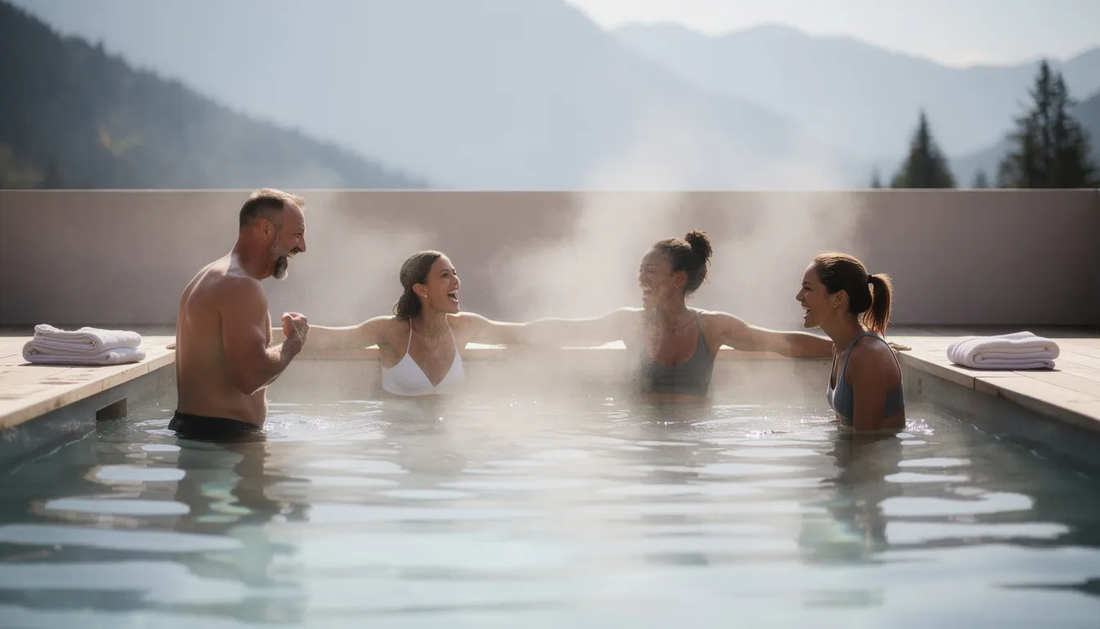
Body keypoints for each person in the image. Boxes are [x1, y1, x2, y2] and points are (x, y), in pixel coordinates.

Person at [509, 231, 844, 402]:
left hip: (694, 437)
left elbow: (782, 343)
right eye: (640, 271)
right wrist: (503, 333)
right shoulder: (630, 323)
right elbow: (565, 331)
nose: (641, 279)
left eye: (651, 271)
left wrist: (852, 345)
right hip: (641, 436)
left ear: (678, 279)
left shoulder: (711, 327)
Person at [170, 188, 310, 440]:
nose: (302, 246)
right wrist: (293, 344)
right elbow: (250, 377)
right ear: (266, 229)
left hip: (200, 433)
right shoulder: (241, 285)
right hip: (222, 441)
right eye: (297, 235)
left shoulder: (210, 275)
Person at [299, 250, 519, 397]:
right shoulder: (391, 330)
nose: (455, 281)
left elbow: (525, 333)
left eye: (455, 273)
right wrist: (274, 332)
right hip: (402, 439)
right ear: (421, 289)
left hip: (449, 440)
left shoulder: (463, 327)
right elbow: (333, 339)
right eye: (444, 275)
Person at [796, 252, 905, 432]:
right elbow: (847, 425)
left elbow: (866, 443)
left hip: (878, 458)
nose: (799, 297)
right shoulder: (841, 348)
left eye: (807, 288)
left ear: (838, 298)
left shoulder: (867, 356)